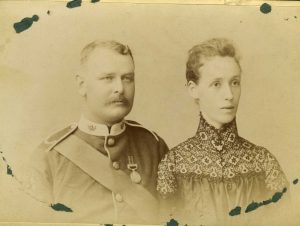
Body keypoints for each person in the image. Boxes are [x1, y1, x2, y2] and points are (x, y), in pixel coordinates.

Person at [23, 40, 168, 224]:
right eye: (108, 78)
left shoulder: (154, 147)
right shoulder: (49, 157)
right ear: (82, 84)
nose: (120, 88)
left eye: (127, 78)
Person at [157, 38, 289, 225]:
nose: (229, 95)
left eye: (235, 82)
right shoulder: (173, 164)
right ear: (193, 89)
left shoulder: (263, 162)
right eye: (217, 84)